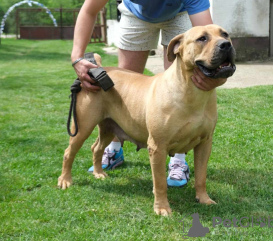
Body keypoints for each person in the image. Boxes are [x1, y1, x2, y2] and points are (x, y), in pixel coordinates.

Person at [71, 0, 224, 188]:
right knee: (120, 92)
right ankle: (114, 147)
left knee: (181, 85)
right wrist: (77, 57)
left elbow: (208, 33)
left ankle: (178, 160)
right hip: (134, 14)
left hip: (180, 13)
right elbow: (89, 10)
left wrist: (216, 75)